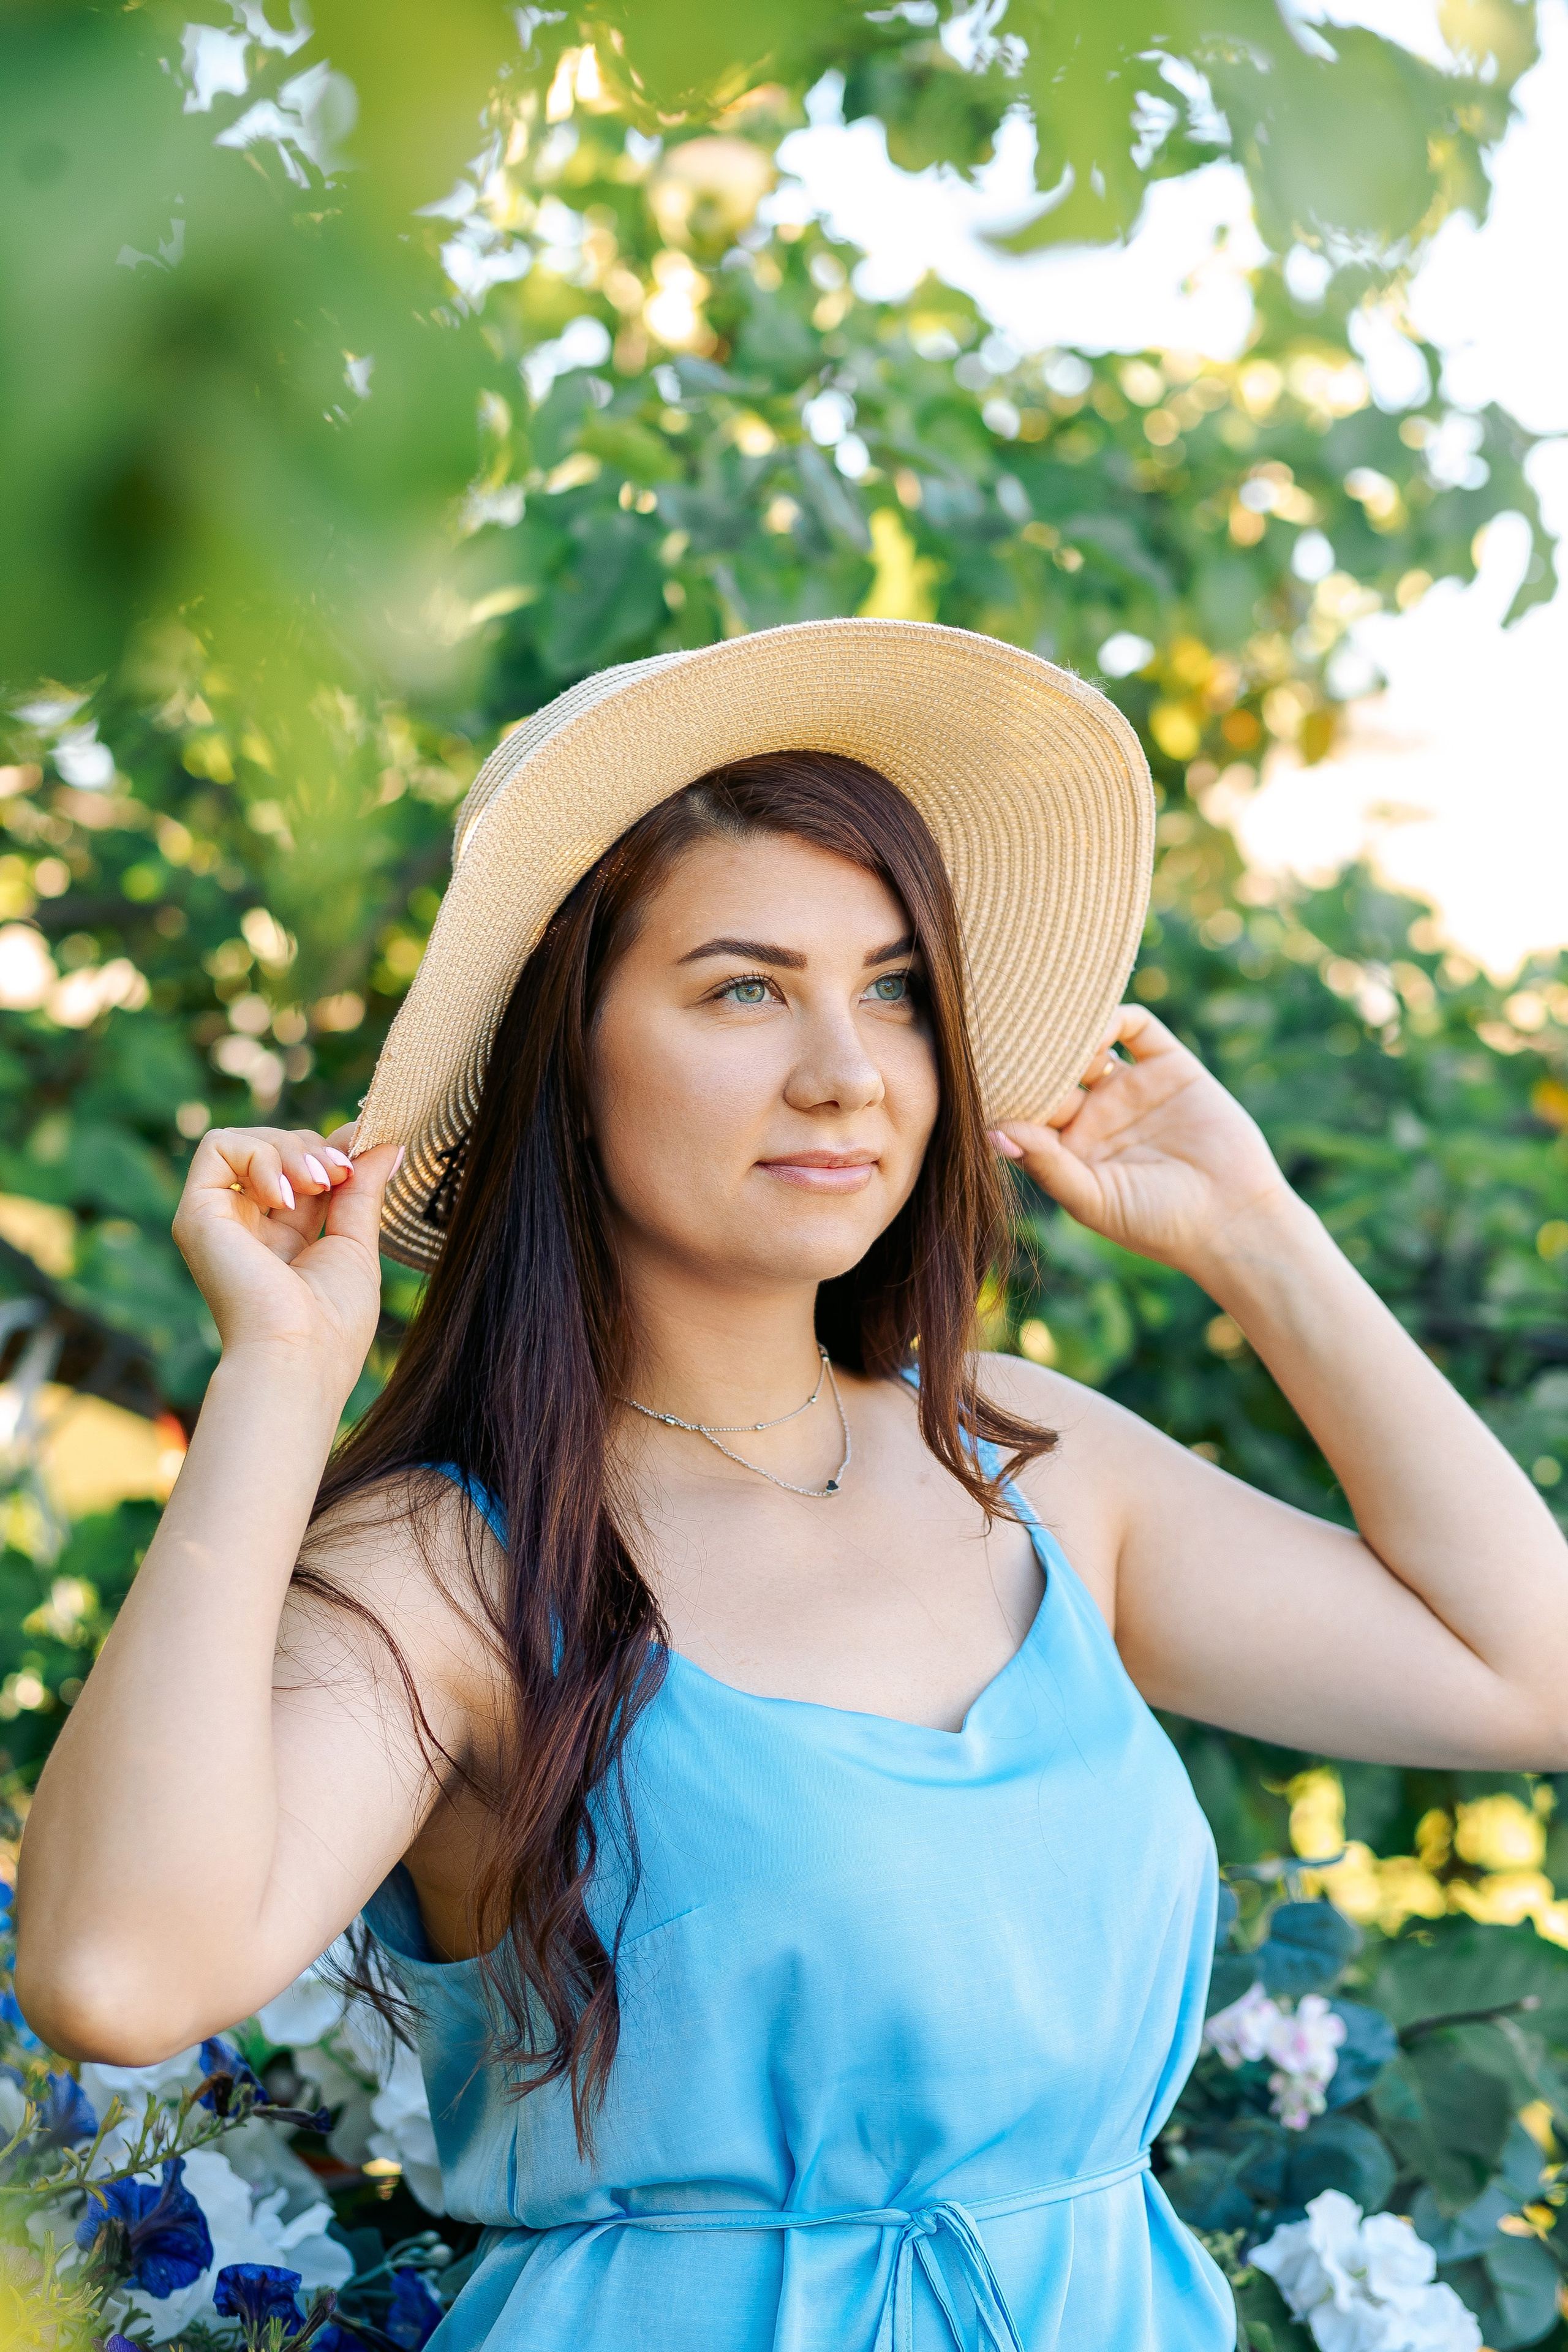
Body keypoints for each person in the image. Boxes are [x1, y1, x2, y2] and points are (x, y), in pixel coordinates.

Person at [18, 619, 1568, 2352]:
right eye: (745, 987)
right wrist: (278, 1384)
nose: (849, 1071)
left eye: (894, 989)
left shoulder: (1024, 1464)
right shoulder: (453, 1565)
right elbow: (112, 1978)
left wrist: (1263, 1243)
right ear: (571, 1056)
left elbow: (1536, 1673)